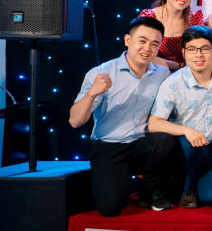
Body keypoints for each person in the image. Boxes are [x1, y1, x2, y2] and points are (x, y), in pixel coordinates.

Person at [69, 17, 177, 215]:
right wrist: (92, 93)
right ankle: (115, 183)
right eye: (142, 41)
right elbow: (75, 121)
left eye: (154, 44)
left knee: (166, 139)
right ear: (128, 40)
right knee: (110, 208)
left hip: (144, 145)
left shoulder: (162, 73)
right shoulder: (101, 73)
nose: (147, 48)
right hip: (110, 146)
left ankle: (150, 191)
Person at [148, 25, 212, 208]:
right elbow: (154, 123)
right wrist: (186, 130)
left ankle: (205, 183)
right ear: (183, 52)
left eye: (205, 49)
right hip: (187, 148)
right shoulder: (172, 83)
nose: (199, 55)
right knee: (186, 143)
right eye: (192, 49)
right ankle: (186, 187)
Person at [138, 0, 203, 70]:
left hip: (186, 76)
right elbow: (139, 52)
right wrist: (178, 66)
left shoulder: (195, 20)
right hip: (152, 73)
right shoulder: (148, 17)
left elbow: (201, 53)